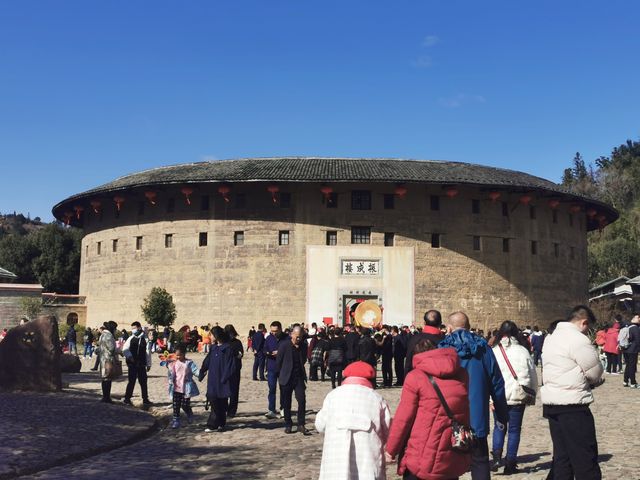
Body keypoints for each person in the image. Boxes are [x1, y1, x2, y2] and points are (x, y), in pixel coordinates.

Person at [386, 338, 471, 479]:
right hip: (452, 450)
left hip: (423, 452)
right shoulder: (462, 374)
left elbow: (404, 418)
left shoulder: (415, 377)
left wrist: (391, 450)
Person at [439, 311, 509, 480]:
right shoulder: (483, 348)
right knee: (480, 460)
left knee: (447, 463)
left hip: (449, 414)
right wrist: (501, 412)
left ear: (449, 328)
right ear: (469, 327)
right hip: (476, 413)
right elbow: (497, 382)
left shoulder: (442, 349)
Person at [541, 305, 604, 480]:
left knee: (563, 458)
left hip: (553, 404)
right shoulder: (577, 339)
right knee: (585, 457)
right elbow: (594, 372)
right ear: (584, 322)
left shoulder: (551, 337)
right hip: (573, 406)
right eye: (588, 328)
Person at [316, 361, 391, 479]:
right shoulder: (377, 399)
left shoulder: (333, 396)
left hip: (335, 464)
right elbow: (387, 431)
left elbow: (320, 425)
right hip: (367, 464)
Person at [490, 320, 538, 475]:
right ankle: (510, 463)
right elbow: (532, 374)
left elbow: (488, 377)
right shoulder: (523, 351)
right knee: (514, 430)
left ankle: (496, 457)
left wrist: (489, 399)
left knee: (499, 427)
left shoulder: (494, 351)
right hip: (517, 395)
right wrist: (532, 393)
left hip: (499, 397)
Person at [199, 326, 235, 432]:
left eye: (211, 334)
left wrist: (225, 377)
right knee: (213, 399)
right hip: (213, 379)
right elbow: (207, 360)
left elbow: (230, 365)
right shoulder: (213, 348)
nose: (210, 336)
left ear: (216, 336)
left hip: (222, 379)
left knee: (222, 401)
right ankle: (215, 422)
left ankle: (216, 424)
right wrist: (203, 370)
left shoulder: (227, 349)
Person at [276, 325, 309, 434]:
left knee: (302, 400)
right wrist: (281, 374)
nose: (298, 339)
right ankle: (288, 424)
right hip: (286, 377)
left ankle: (301, 424)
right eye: (297, 336)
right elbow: (279, 362)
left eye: (300, 337)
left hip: (298, 377)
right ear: (292, 334)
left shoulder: (304, 346)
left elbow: (303, 360)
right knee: (286, 403)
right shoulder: (284, 345)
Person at [167, 344, 200, 428]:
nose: (178, 357)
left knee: (185, 404)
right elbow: (170, 372)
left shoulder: (189, 363)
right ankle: (176, 420)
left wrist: (200, 374)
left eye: (179, 355)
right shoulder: (173, 363)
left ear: (184, 354)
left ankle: (189, 413)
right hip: (176, 387)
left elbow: (195, 370)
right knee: (176, 405)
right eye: (176, 355)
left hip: (186, 387)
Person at [404, 309, 445, 374]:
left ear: (424, 323)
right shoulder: (445, 340)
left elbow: (408, 364)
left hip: (418, 378)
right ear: (440, 323)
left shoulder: (414, 339)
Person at [122, 321, 152, 406]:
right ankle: (127, 398)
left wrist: (149, 364)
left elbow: (148, 352)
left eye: (134, 328)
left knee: (143, 382)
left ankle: (145, 399)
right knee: (131, 381)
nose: (133, 330)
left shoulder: (145, 339)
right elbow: (125, 349)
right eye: (132, 328)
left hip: (142, 364)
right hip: (132, 364)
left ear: (139, 328)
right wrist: (130, 356)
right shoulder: (130, 338)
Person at [264, 320, 285, 418]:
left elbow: (289, 351)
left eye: (276, 331)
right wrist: (269, 352)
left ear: (280, 329)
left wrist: (280, 352)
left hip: (283, 368)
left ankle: (283, 408)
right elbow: (264, 349)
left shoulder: (286, 338)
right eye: (272, 331)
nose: (274, 333)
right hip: (271, 367)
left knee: (283, 389)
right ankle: (271, 409)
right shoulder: (268, 338)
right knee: (272, 389)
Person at [225, 324, 244, 417]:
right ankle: (224, 408)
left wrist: (235, 353)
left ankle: (232, 410)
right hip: (224, 370)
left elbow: (240, 354)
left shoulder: (237, 342)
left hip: (235, 369)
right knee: (224, 390)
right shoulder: (223, 343)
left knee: (234, 391)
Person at [97, 321, 118, 403]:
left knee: (104, 378)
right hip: (108, 359)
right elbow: (111, 349)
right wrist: (120, 351)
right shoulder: (109, 336)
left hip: (102, 359)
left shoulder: (102, 335)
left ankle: (105, 396)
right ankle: (107, 397)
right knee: (108, 378)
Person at [623, 316, 640, 388]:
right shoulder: (635, 328)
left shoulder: (627, 327)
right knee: (632, 366)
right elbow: (638, 340)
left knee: (628, 365)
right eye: (638, 318)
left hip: (626, 349)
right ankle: (633, 383)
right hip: (633, 350)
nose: (639, 319)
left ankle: (625, 381)